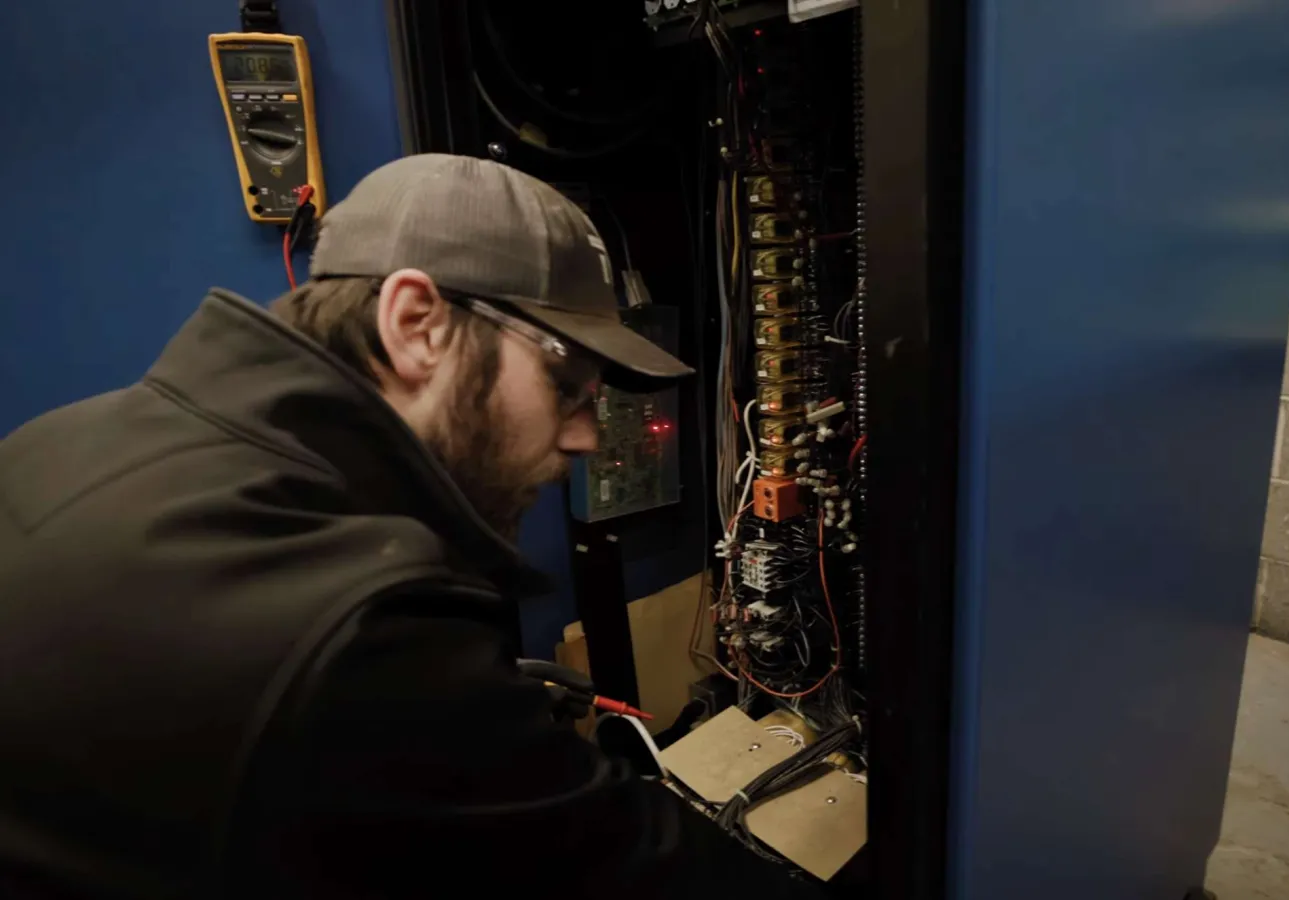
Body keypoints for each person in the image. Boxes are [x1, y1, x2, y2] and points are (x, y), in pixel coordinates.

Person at [0, 155, 818, 899]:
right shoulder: (357, 626)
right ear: (417, 322)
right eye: (568, 382)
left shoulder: (55, 440)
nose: (584, 437)